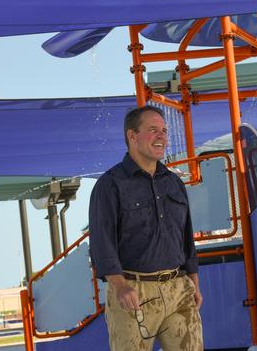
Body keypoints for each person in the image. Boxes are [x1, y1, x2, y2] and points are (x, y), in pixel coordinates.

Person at [89, 106, 203, 351]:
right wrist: (119, 286)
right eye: (153, 130)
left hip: (179, 289)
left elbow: (186, 237)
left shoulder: (174, 183)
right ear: (132, 136)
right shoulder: (110, 185)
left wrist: (193, 281)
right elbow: (101, 241)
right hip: (133, 292)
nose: (161, 136)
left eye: (164, 130)